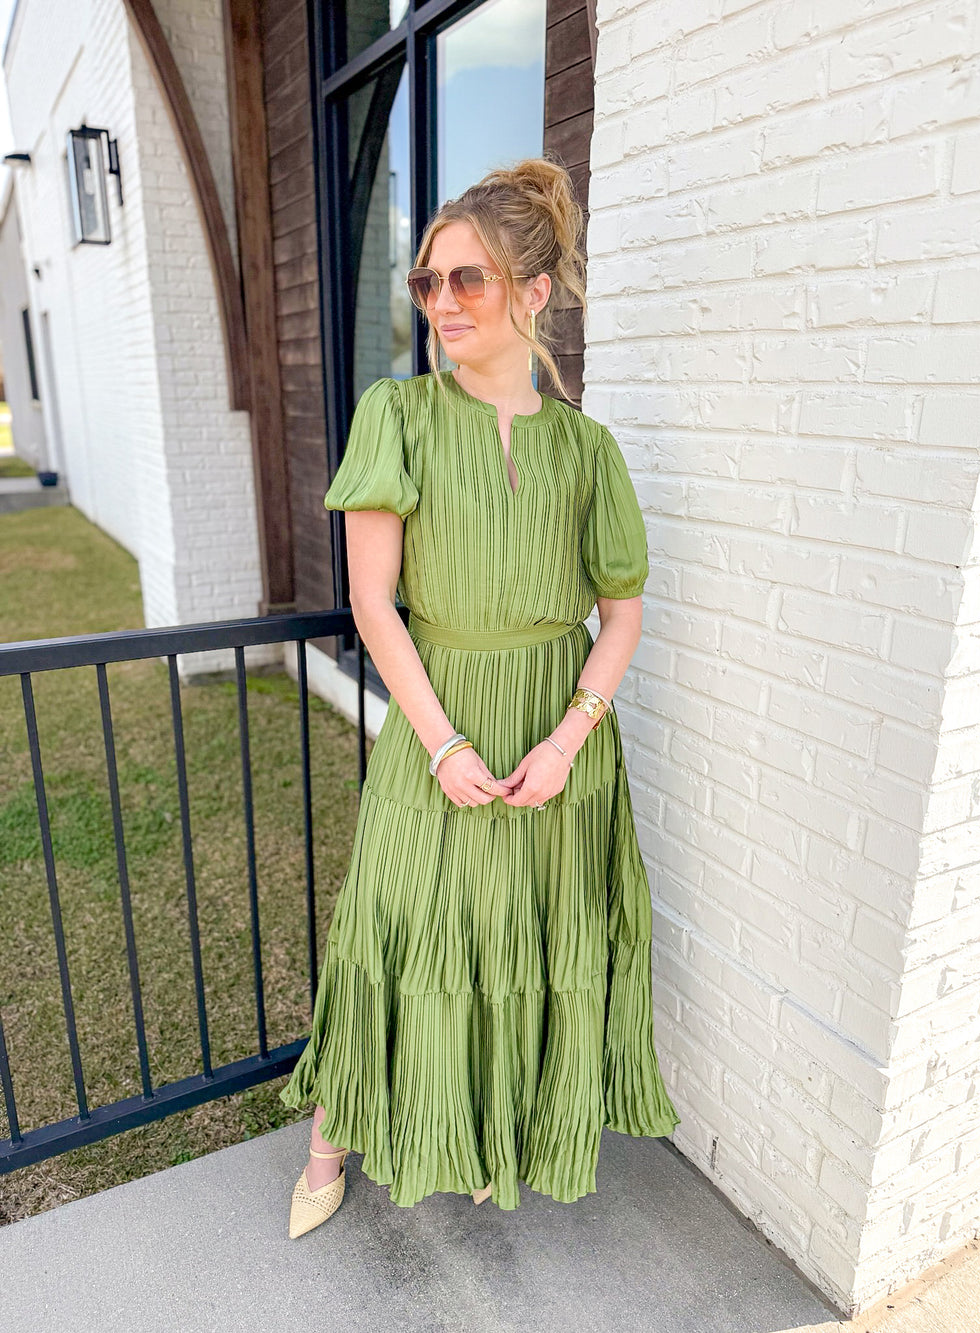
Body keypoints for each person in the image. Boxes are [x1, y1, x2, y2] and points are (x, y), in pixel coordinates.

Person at [281, 155, 680, 1238]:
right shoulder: (398, 415)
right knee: (399, 922)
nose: (442, 302)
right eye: (428, 281)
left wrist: (568, 739)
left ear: (533, 291)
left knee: (519, 938)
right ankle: (329, 1143)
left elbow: (622, 616)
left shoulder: (588, 450)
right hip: (436, 720)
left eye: (469, 279)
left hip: (557, 734)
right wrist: (444, 744)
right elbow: (372, 604)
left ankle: (479, 1133)